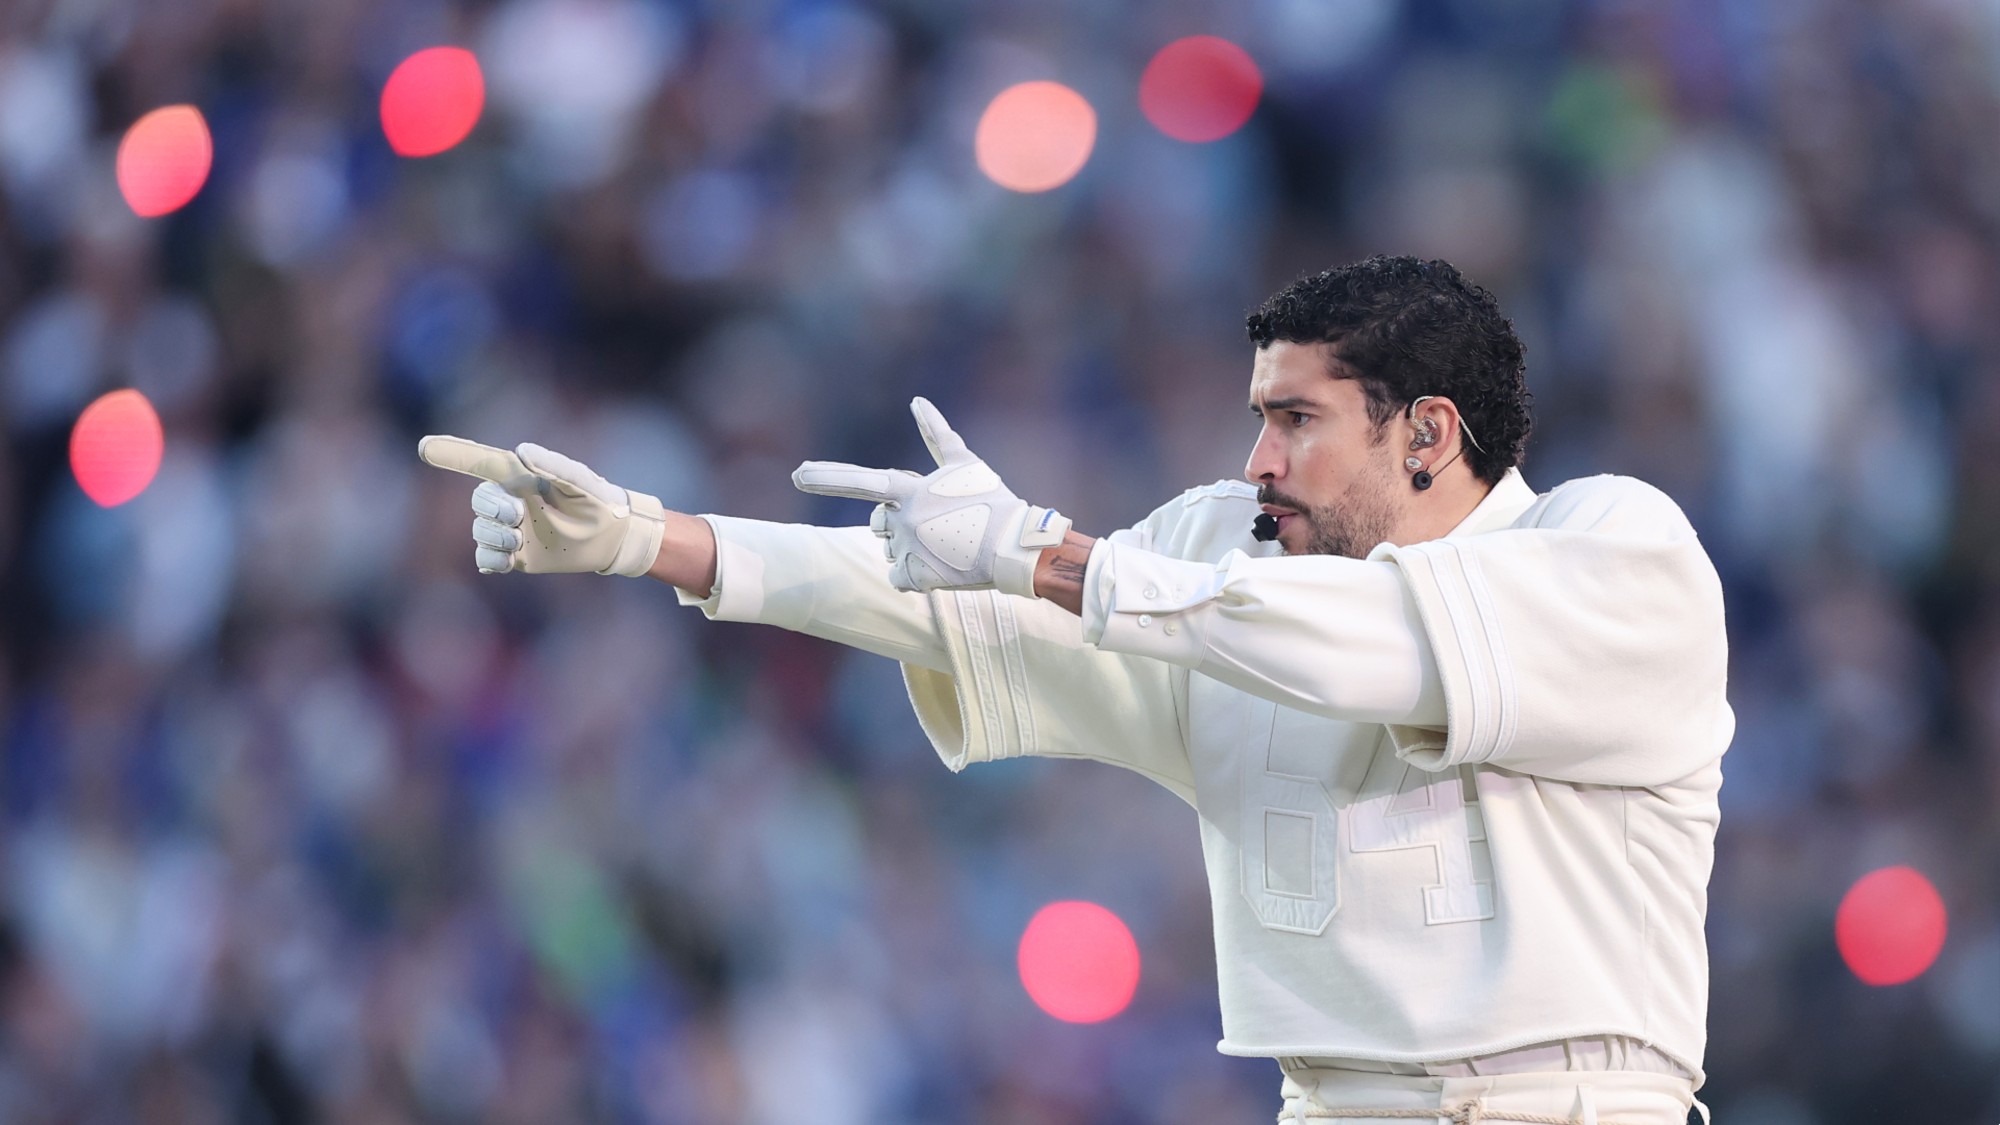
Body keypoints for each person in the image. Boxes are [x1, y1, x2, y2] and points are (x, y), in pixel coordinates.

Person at [420, 256, 1730, 1125]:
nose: (1257, 458)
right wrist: (654, 539)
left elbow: (1374, 641)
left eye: (1298, 419)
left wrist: (1046, 554)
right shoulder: (1224, 561)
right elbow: (956, 598)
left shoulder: (1615, 550)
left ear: (1429, 432)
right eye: (1258, 416)